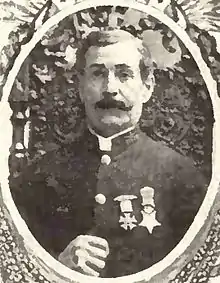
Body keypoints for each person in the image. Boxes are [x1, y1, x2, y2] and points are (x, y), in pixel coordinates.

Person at [10, 29, 209, 278]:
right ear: (81, 88)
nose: (110, 89)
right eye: (98, 74)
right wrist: (56, 267)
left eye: (124, 74)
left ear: (147, 87)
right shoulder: (38, 178)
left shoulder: (183, 178)